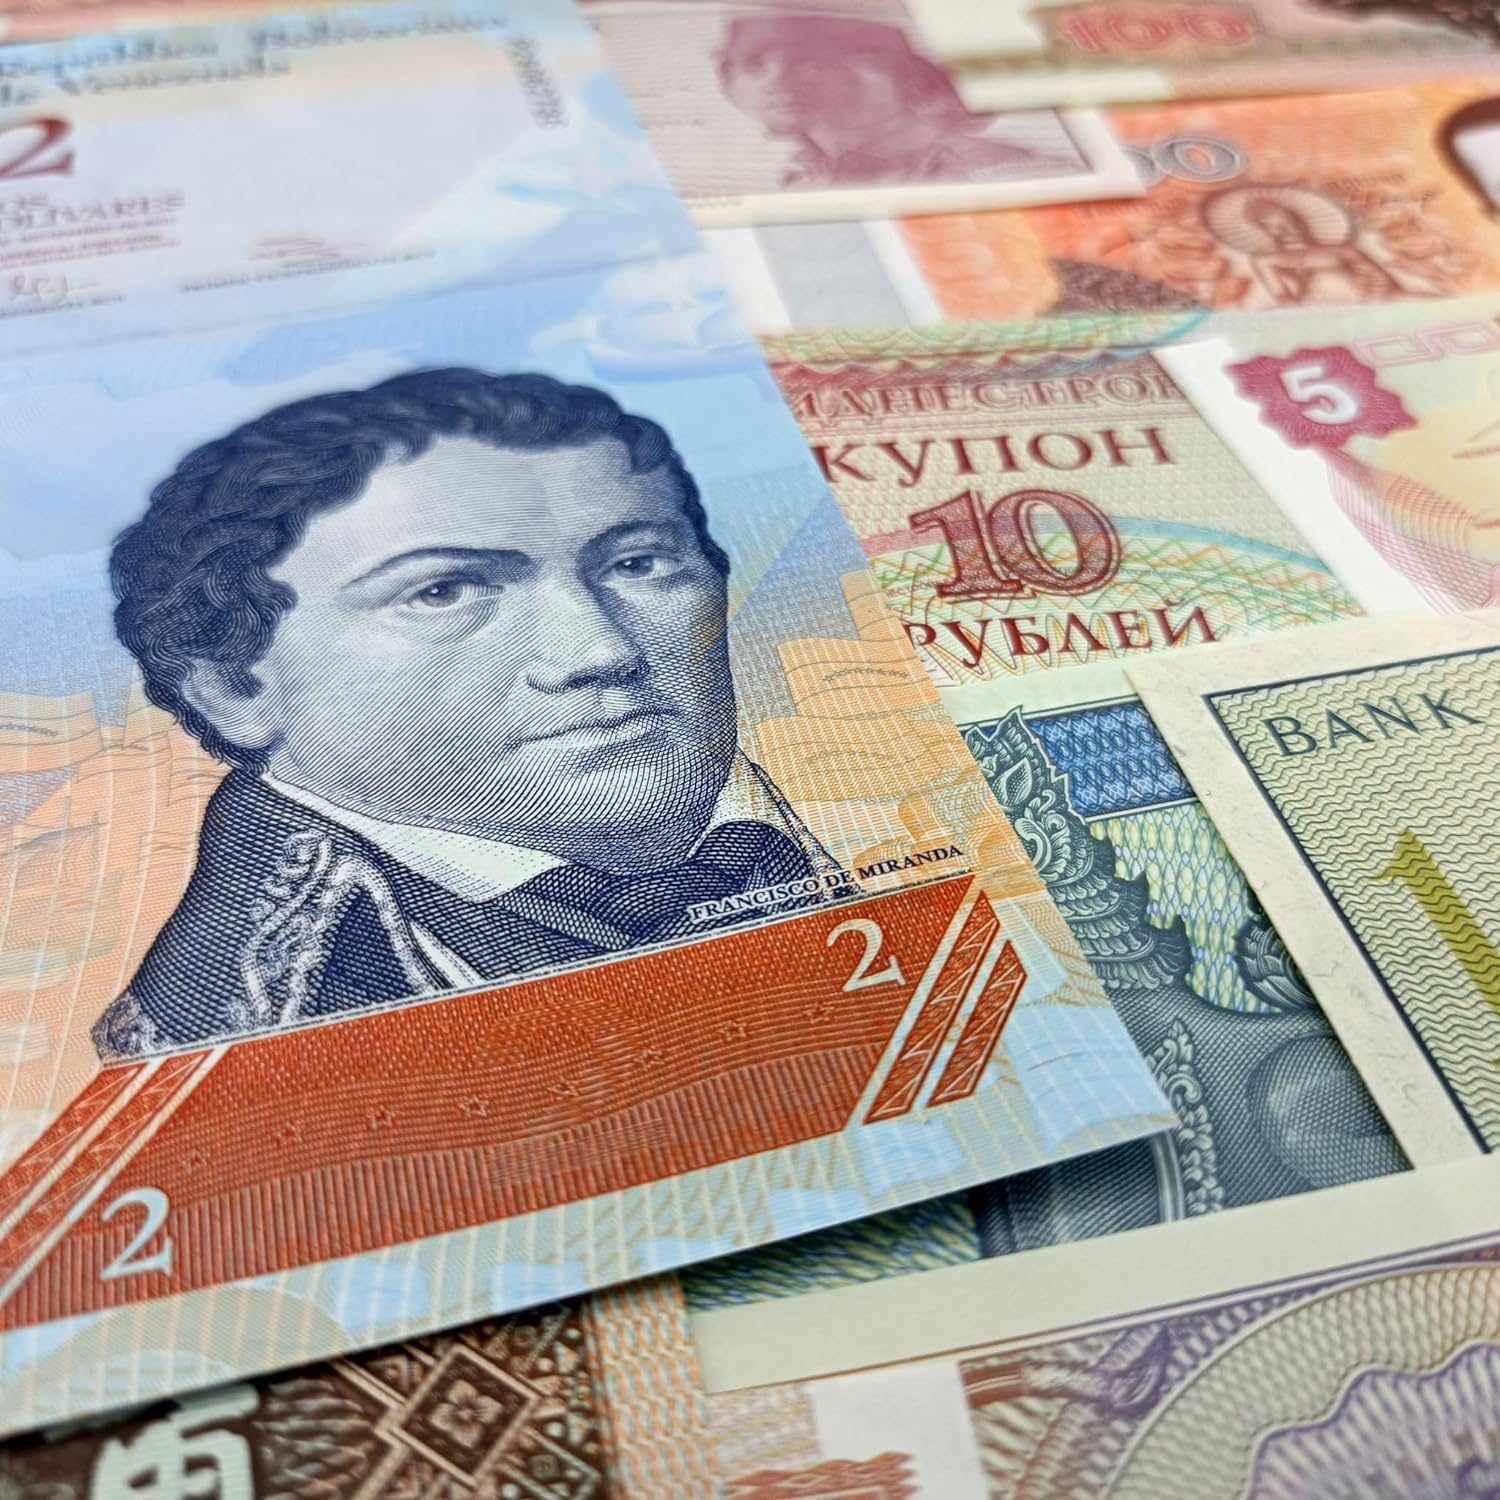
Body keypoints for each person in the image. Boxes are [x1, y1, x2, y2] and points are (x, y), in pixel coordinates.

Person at [93, 369, 842, 1059]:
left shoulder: (808, 834)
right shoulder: (217, 1030)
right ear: (234, 689)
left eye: (637, 564)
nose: (599, 650)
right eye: (443, 592)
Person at [714, 13, 1043, 188]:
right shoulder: (802, 182)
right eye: (755, 62)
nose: (779, 78)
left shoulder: (989, 168)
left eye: (809, 60)